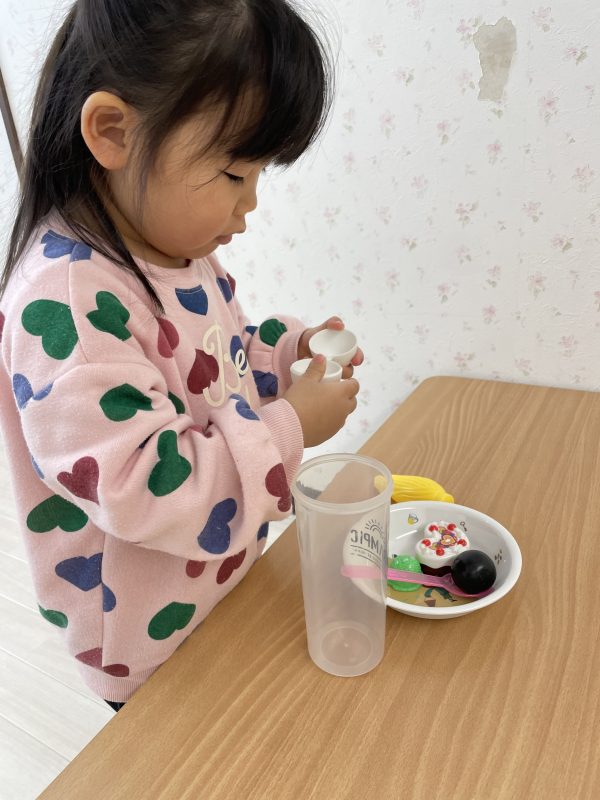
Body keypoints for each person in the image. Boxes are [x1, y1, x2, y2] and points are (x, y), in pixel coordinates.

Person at [0, 0, 362, 712]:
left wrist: (285, 351)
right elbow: (150, 487)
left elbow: (217, 373)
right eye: (234, 174)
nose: (249, 206)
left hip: (219, 587)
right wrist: (292, 425)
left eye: (259, 175)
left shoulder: (175, 250)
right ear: (114, 132)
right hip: (147, 641)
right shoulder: (67, 306)